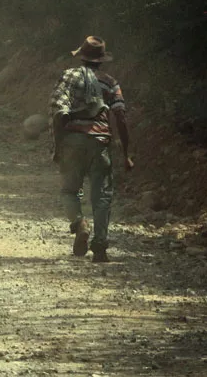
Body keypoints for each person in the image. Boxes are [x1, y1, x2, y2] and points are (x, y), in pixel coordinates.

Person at [48, 36, 133, 263]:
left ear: (82, 57)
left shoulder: (68, 76)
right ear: (101, 60)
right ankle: (100, 247)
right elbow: (120, 116)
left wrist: (57, 146)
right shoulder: (110, 82)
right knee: (102, 196)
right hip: (100, 142)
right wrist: (126, 153)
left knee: (69, 191)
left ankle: (79, 223)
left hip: (73, 141)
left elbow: (59, 113)